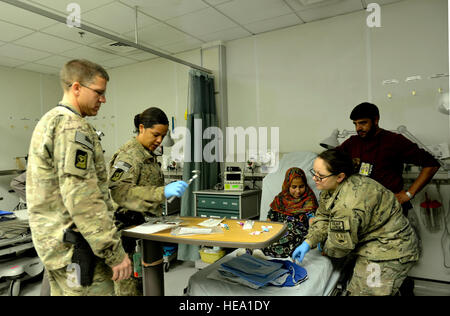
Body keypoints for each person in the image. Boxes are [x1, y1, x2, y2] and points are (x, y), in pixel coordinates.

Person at [26, 59, 132, 296]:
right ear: (76, 88)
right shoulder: (73, 128)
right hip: (78, 250)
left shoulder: (49, 121)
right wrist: (114, 253)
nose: (103, 99)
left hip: (55, 247)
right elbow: (82, 199)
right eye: (99, 93)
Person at [292, 149, 420, 296]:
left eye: (320, 176)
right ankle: (401, 287)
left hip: (388, 249)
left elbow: (339, 248)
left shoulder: (348, 204)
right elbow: (323, 217)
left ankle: (399, 285)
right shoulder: (331, 187)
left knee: (363, 293)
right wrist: (309, 241)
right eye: (314, 173)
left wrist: (325, 248)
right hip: (370, 239)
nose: (314, 179)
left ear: (340, 176)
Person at [108, 107, 188, 296]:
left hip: (144, 230)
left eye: (163, 135)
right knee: (129, 290)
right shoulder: (129, 156)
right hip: (125, 234)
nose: (160, 140)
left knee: (146, 285)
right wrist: (162, 191)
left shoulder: (148, 156)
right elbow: (119, 192)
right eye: (156, 135)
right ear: (142, 128)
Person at [337, 102, 440, 216]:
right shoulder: (352, 142)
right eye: (355, 124)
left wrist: (409, 194)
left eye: (363, 123)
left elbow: (432, 164)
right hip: (361, 209)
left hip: (389, 209)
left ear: (376, 120)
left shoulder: (394, 141)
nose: (358, 128)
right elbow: (330, 161)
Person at [254, 167, 318, 259]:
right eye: (294, 187)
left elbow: (312, 220)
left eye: (301, 186)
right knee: (260, 236)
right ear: (287, 185)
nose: (298, 191)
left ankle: (263, 252)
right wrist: (266, 231)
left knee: (288, 239)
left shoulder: (308, 199)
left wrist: (313, 239)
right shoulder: (280, 199)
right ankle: (251, 250)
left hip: (297, 233)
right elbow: (270, 217)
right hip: (279, 229)